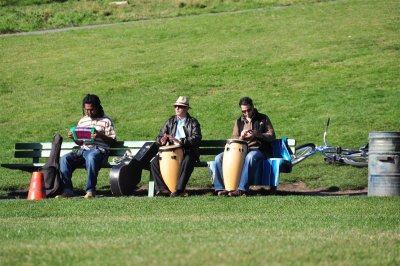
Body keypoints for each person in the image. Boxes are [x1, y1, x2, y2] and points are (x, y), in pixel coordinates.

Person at [56, 94, 117, 198]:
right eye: (86, 110)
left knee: (92, 156)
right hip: (83, 150)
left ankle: (90, 191)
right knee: (64, 159)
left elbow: (113, 141)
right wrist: (74, 138)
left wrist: (99, 135)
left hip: (99, 151)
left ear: (97, 107)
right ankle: (67, 190)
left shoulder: (106, 120)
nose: (89, 112)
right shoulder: (83, 121)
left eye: (91, 109)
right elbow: (80, 143)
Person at [213, 97, 276, 197]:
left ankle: (242, 189)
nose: (246, 113)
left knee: (250, 157)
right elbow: (234, 139)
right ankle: (220, 188)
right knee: (219, 158)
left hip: (258, 149)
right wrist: (241, 137)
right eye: (244, 111)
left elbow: (272, 136)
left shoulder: (263, 118)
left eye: (248, 110)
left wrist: (257, 134)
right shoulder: (238, 122)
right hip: (240, 150)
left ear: (253, 107)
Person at [151, 96, 202, 197]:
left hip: (188, 150)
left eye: (180, 107)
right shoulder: (170, 121)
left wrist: (181, 141)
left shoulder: (193, 122)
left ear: (186, 108)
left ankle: (179, 190)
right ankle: (162, 189)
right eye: (176, 106)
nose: (177, 108)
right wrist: (161, 140)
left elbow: (197, 138)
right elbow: (160, 136)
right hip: (171, 151)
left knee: (187, 161)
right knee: (153, 162)